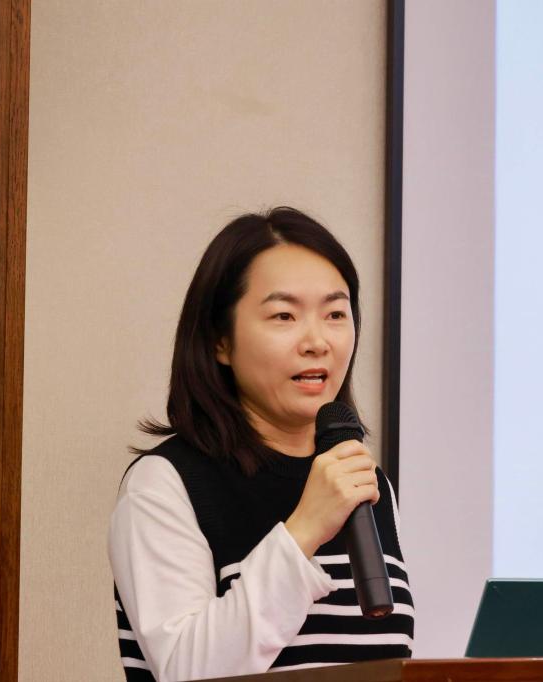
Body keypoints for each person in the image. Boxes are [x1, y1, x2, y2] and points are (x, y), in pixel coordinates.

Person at [108, 207, 413, 681]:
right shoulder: (165, 484)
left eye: (335, 314)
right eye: (284, 315)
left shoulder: (366, 482)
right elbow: (188, 670)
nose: (317, 341)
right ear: (220, 340)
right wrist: (305, 527)